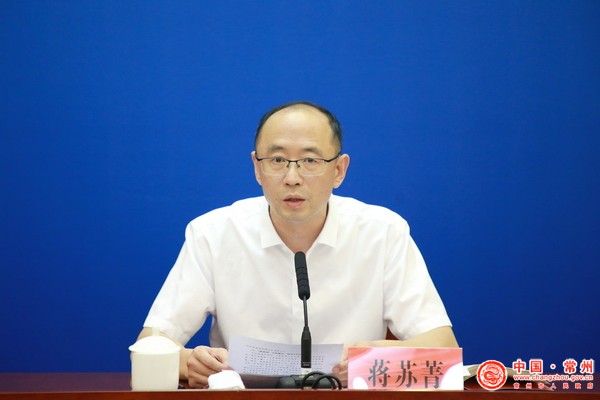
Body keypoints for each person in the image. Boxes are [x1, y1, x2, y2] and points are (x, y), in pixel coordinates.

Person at [136, 101, 458, 388]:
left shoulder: (383, 233)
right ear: (257, 167)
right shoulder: (212, 234)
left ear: (339, 170)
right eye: (277, 159)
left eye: (310, 160)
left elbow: (444, 347)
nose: (292, 177)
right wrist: (189, 362)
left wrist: (370, 361)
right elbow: (148, 345)